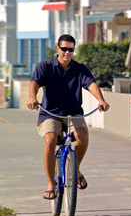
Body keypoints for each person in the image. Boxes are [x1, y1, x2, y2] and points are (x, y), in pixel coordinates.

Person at [27, 34, 110, 200]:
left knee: (83, 135)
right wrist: (32, 98)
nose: (67, 52)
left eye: (71, 49)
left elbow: (91, 83)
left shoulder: (80, 68)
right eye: (64, 49)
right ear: (58, 48)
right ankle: (51, 185)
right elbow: (34, 83)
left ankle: (74, 168)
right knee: (50, 140)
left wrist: (101, 100)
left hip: (73, 112)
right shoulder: (46, 66)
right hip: (50, 112)